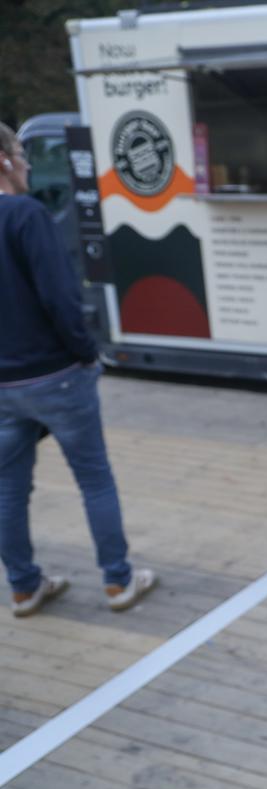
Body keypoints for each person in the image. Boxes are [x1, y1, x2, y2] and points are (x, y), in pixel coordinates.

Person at [0, 121, 155, 616]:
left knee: (7, 487)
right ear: (3, 160)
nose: (26, 164)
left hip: (2, 386)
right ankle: (117, 581)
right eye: (21, 154)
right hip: (56, 374)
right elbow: (60, 297)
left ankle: (24, 587)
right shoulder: (25, 213)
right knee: (94, 479)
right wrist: (86, 351)